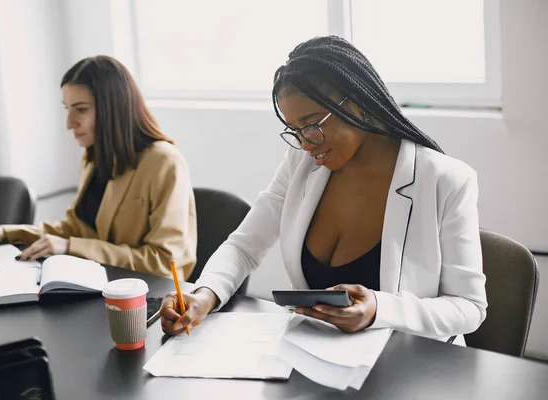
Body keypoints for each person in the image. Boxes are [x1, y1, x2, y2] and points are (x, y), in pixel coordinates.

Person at [159, 36, 487, 343]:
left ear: (357, 103)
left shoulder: (445, 180)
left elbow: (468, 307)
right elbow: (244, 247)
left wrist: (378, 309)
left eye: (313, 124)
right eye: (294, 130)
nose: (304, 143)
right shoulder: (302, 164)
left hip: (409, 365)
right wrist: (204, 295)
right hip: (318, 356)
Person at [0, 56, 197, 279]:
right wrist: (4, 233)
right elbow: (75, 228)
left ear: (114, 109)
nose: (70, 123)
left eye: (81, 110)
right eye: (68, 109)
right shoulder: (95, 156)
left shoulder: (164, 162)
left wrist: (71, 247)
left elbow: (164, 263)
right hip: (101, 282)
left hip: (145, 296)